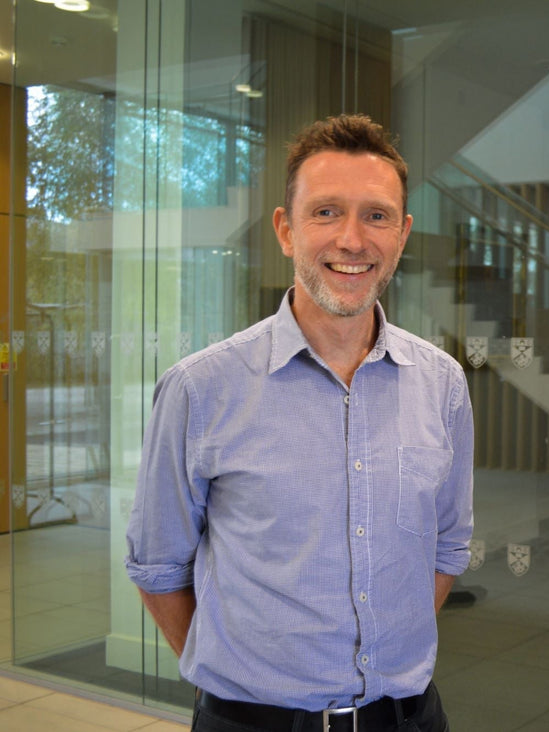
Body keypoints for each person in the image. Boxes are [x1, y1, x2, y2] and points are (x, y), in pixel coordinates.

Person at [125, 114, 474, 732]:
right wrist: (242, 688)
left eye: (376, 215)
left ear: (402, 234)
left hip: (409, 719)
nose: (352, 239)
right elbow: (158, 569)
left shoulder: (441, 383)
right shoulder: (200, 388)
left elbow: (445, 552)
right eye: (325, 212)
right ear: (285, 231)